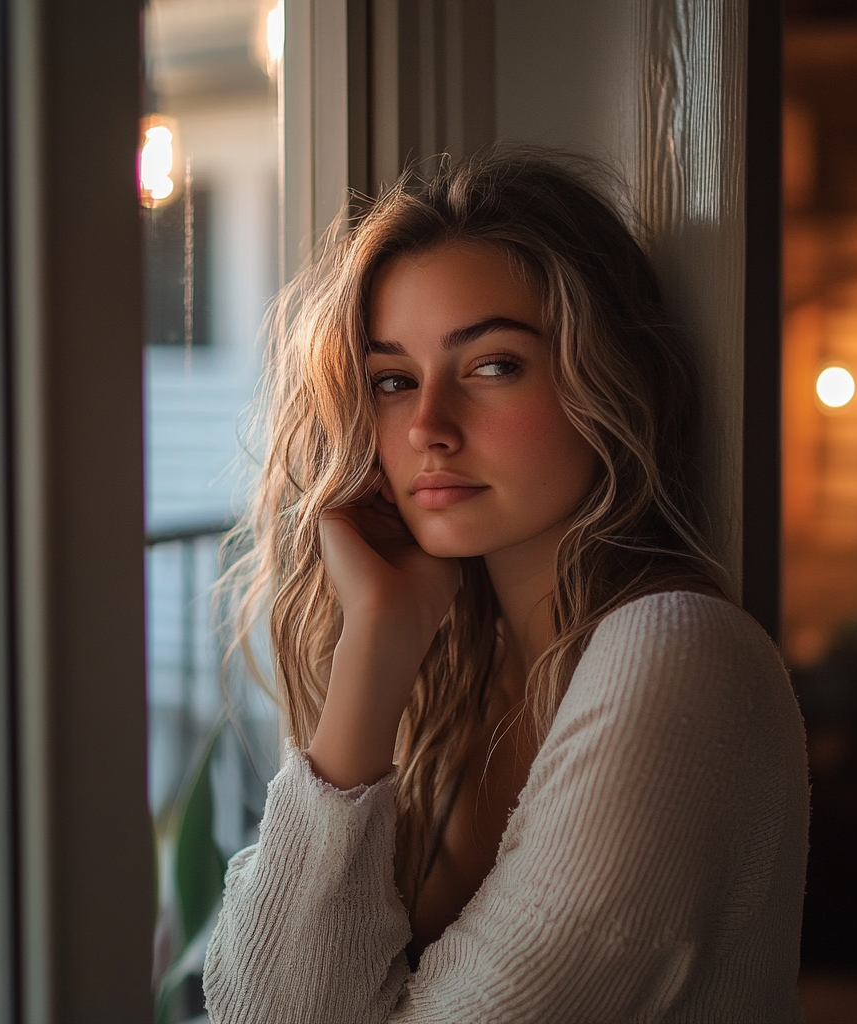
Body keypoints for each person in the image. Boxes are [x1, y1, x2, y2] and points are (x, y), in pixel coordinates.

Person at [203, 151, 808, 1023]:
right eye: (393, 381)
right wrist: (376, 645)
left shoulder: (679, 655)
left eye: (492, 366)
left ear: (607, 379)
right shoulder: (457, 688)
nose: (428, 427)